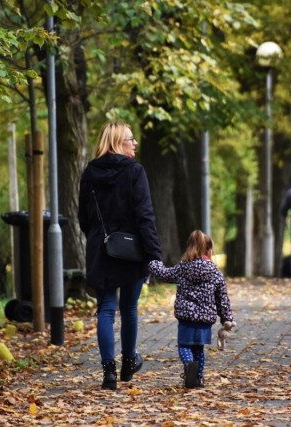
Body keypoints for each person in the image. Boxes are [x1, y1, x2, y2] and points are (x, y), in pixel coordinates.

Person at [78, 121, 162, 390]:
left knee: (105, 310)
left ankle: (108, 372)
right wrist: (153, 255)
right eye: (130, 138)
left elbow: (84, 217)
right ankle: (128, 363)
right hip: (132, 251)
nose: (134, 143)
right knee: (128, 309)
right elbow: (145, 216)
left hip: (101, 250)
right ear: (117, 142)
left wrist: (99, 238)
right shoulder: (135, 171)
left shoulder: (90, 172)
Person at [148, 230, 235, 388]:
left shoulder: (183, 267)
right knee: (199, 349)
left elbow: (164, 274)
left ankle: (189, 366)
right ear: (209, 251)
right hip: (205, 319)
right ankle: (199, 379)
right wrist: (226, 318)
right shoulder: (215, 272)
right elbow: (222, 298)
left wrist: (154, 262)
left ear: (190, 248)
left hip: (186, 317)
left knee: (184, 346)